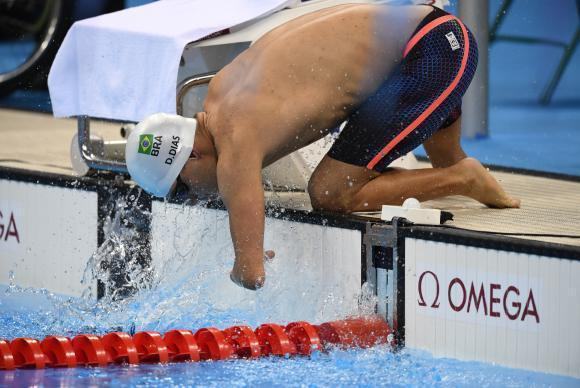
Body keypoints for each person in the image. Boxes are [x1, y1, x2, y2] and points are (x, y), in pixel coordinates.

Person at [126, 4, 520, 290]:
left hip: (430, 55)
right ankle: (458, 171)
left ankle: (464, 179)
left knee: (330, 192)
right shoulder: (218, 96)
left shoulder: (234, 141)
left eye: (183, 188)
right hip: (427, 41)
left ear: (191, 155)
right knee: (442, 160)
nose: (193, 197)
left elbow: (250, 273)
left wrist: (245, 265)